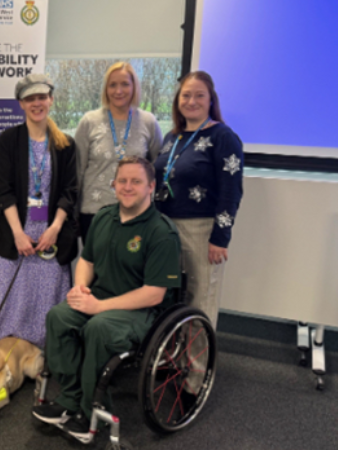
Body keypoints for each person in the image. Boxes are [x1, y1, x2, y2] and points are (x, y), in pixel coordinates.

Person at [33, 157, 181, 443]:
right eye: (122, 180)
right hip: (100, 297)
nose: (127, 187)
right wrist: (80, 289)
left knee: (98, 328)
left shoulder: (161, 231)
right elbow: (87, 261)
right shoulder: (103, 217)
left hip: (142, 312)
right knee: (58, 317)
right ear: (113, 185)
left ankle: (93, 413)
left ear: (151, 186)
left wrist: (99, 307)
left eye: (136, 181)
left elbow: (154, 293)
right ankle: (71, 397)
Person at [0, 74, 78, 349]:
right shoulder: (9, 139)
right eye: (30, 99)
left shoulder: (65, 144)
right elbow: (4, 190)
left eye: (41, 97)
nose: (37, 103)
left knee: (46, 300)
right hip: (16, 234)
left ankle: (44, 354)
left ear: (50, 99)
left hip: (51, 235)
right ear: (21, 104)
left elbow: (69, 191)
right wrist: (18, 234)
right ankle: (3, 353)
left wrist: (55, 229)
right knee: (11, 296)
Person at [152, 70, 243, 332]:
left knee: (199, 301)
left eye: (199, 95)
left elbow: (232, 190)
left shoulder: (222, 137)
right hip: (164, 228)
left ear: (211, 100)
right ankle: (175, 363)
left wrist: (220, 237)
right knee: (169, 298)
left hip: (201, 231)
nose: (192, 101)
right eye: (186, 95)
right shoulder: (172, 138)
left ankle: (198, 371)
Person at [75, 62, 164, 242]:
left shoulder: (148, 121)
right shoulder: (89, 121)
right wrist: (73, 214)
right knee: (96, 269)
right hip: (94, 213)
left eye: (125, 84)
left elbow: (158, 168)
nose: (118, 91)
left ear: (134, 87)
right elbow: (77, 171)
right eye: (112, 85)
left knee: (134, 268)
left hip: (137, 212)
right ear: (105, 89)